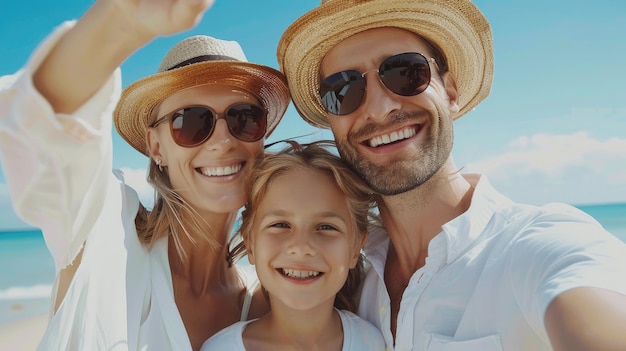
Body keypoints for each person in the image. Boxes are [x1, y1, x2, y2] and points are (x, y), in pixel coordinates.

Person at [276, 0, 626, 350]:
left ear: (451, 92)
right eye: (343, 90)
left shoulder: (537, 247)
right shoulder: (346, 282)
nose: (381, 107)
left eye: (405, 72)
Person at [0, 0, 290, 350]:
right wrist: (120, 22)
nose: (223, 140)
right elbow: (45, 124)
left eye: (244, 118)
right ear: (156, 147)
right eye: (192, 121)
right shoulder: (107, 234)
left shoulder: (269, 305)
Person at [200, 140, 385, 351]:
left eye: (326, 227)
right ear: (250, 243)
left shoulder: (373, 342)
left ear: (355, 249)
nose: (301, 246)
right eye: (280, 225)